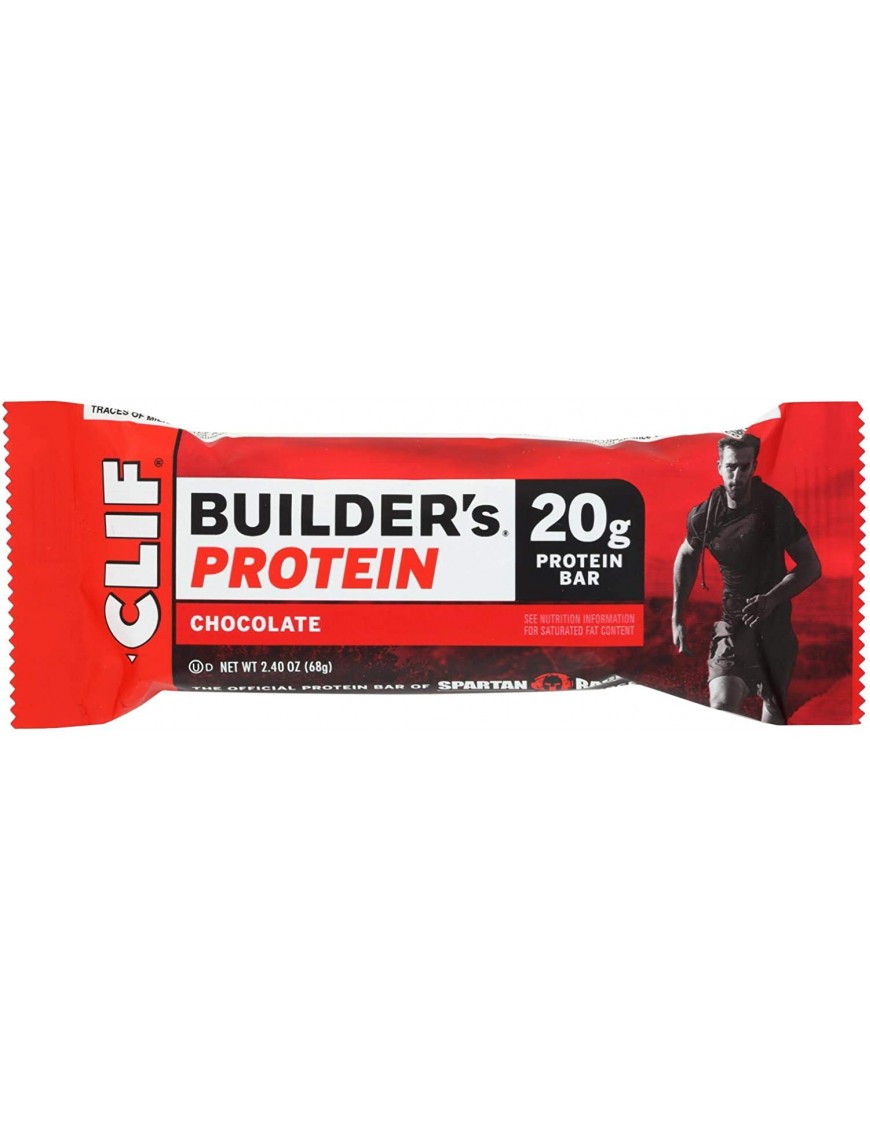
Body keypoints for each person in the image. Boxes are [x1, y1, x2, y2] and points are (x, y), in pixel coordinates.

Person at [671, 433, 821, 723]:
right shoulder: (707, 514)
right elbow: (686, 555)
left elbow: (811, 565)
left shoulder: (773, 506)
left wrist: (772, 599)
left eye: (744, 467)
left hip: (774, 628)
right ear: (719, 467)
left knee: (773, 716)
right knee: (721, 706)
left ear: (754, 467)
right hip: (732, 625)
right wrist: (677, 616)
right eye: (731, 467)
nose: (737, 476)